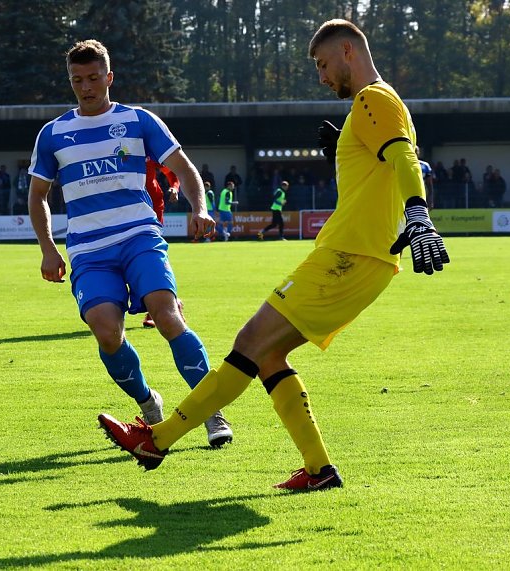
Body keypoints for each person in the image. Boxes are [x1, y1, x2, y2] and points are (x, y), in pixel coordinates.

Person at [98, 19, 450, 491]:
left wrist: (419, 216)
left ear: (348, 51)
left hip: (348, 255)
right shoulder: (384, 104)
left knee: (249, 342)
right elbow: (393, 165)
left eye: (324, 65)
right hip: (362, 257)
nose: (322, 77)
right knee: (268, 356)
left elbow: (406, 162)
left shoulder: (373, 99)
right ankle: (319, 470)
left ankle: (157, 439)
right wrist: (346, 155)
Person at [27, 39, 233, 447]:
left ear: (109, 77)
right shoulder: (53, 134)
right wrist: (48, 248)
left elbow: (183, 166)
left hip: (139, 236)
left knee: (167, 314)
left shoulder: (139, 121)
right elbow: (38, 195)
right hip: (88, 249)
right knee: (106, 331)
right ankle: (149, 402)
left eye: (93, 78)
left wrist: (200, 207)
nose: (86, 87)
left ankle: (210, 410)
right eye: (77, 80)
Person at [142, 157, 181, 329]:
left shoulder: (148, 151)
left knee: (152, 255)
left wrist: (174, 187)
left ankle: (170, 304)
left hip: (152, 205)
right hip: (124, 205)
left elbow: (171, 172)